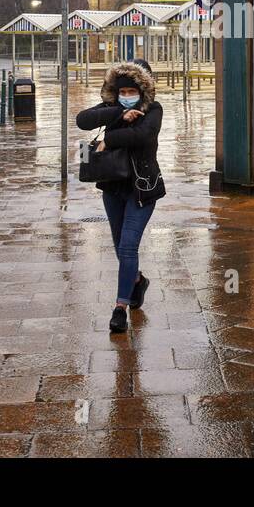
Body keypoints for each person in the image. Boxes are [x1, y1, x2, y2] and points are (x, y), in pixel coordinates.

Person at [75, 59, 166, 334]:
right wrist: (118, 113)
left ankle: (119, 308)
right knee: (119, 246)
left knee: (127, 247)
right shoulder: (112, 107)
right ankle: (137, 280)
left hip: (142, 190)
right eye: (122, 92)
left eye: (131, 92)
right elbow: (82, 120)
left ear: (143, 90)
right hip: (113, 188)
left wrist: (110, 139)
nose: (127, 96)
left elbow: (143, 136)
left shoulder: (153, 110)